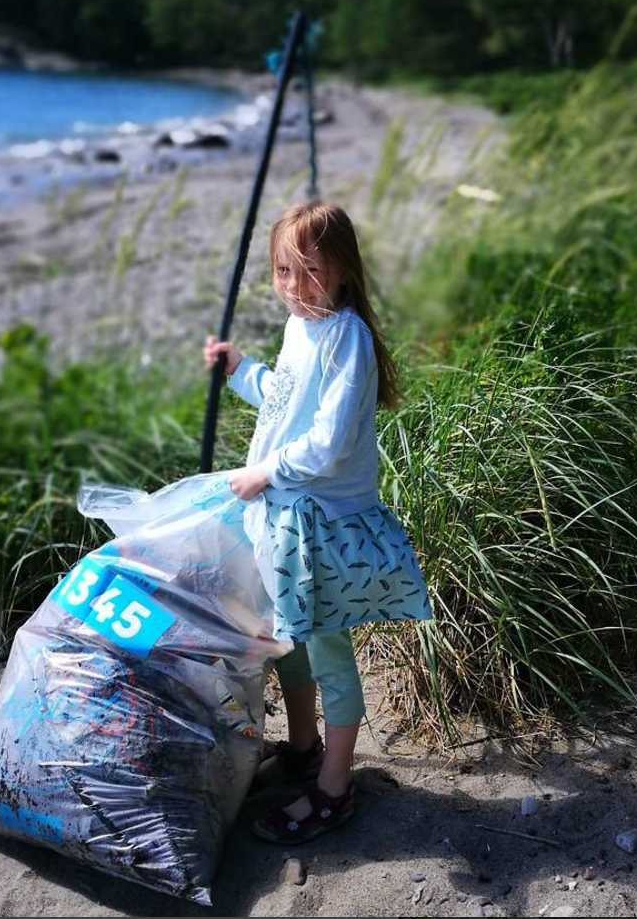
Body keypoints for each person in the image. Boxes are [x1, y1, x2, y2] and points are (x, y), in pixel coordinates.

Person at [202, 200, 432, 845]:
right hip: (287, 518)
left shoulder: (348, 336)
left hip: (322, 526)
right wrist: (241, 371)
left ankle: (335, 786)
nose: (294, 288)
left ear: (342, 274)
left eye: (309, 272)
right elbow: (286, 400)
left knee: (328, 652)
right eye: (282, 271)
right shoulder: (301, 326)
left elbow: (328, 443)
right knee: (289, 639)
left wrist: (265, 472)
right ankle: (301, 745)